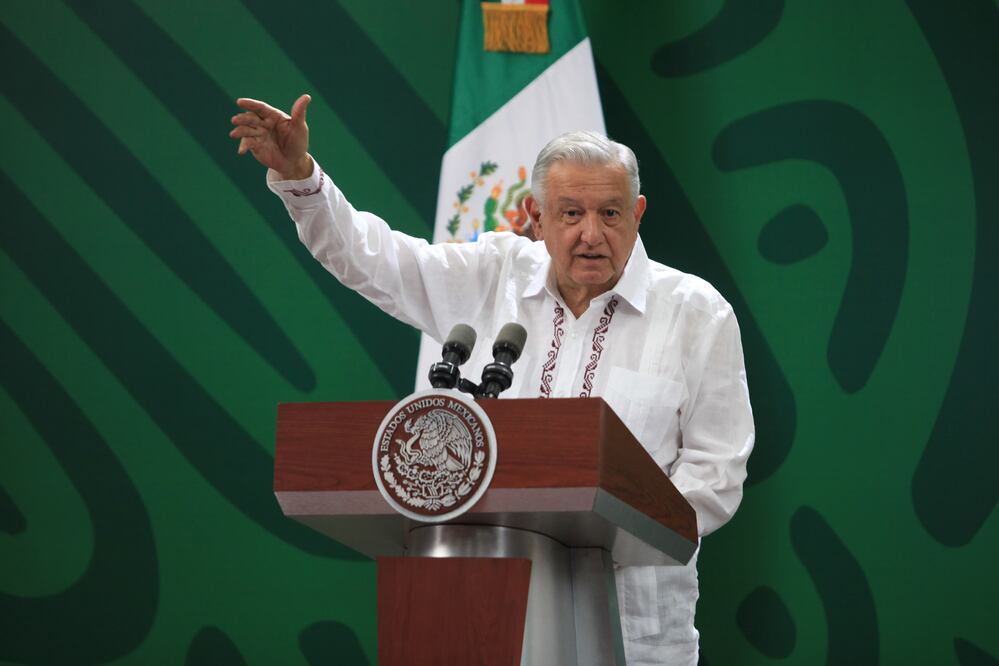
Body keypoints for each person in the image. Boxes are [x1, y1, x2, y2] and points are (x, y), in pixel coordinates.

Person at [231, 94, 754, 665]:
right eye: (571, 213)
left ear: (638, 214)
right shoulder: (494, 275)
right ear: (535, 217)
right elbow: (375, 260)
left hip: (635, 628)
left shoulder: (697, 313)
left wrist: (613, 532)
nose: (591, 234)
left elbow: (717, 470)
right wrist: (301, 178)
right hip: (484, 617)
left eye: (610, 213)